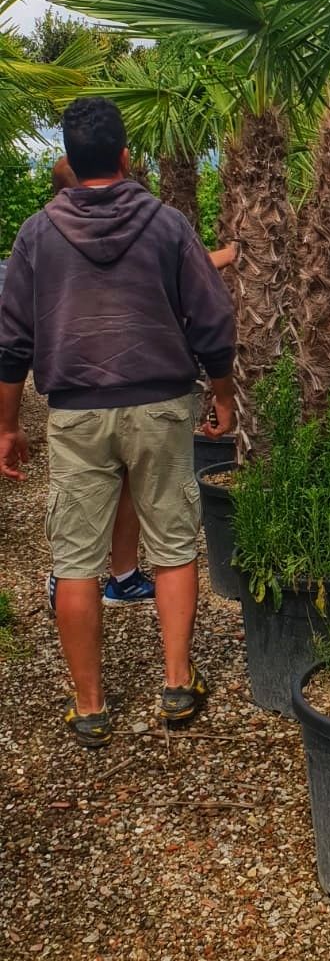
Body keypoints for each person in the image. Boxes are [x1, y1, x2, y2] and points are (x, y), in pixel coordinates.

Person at [0, 99, 236, 748]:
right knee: (174, 541)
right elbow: (213, 321)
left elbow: (11, 340)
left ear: (70, 162)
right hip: (161, 403)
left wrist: (7, 426)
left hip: (75, 410)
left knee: (75, 559)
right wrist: (224, 397)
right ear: (127, 156)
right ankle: (177, 684)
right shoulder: (167, 225)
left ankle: (90, 706)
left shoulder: (36, 234)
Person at [45, 157, 237, 612]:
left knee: (111, 494)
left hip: (83, 401)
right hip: (146, 396)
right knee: (163, 540)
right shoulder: (149, 224)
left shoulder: (44, 235)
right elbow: (162, 281)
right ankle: (173, 673)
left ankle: (121, 576)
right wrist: (223, 258)